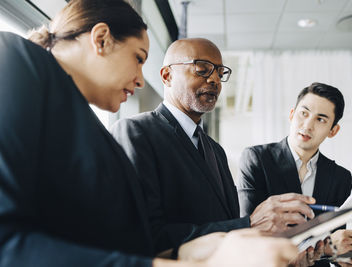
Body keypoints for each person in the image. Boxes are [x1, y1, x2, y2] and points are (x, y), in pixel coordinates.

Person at [0, 0, 298, 266]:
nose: (141, 80)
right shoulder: (14, 59)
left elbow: (114, 241)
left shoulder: (87, 127)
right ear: (101, 39)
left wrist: (185, 253)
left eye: (220, 73)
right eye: (139, 58)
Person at [111, 37, 316, 255]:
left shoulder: (215, 150)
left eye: (220, 72)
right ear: (167, 75)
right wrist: (248, 224)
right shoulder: (136, 132)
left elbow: (225, 225)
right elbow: (143, 235)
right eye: (202, 69)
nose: (214, 80)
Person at [238, 82, 352, 267]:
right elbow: (248, 232)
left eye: (320, 119)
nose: (307, 125)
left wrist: (346, 257)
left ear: (333, 130)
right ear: (292, 114)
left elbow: (336, 242)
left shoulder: (340, 177)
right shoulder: (257, 159)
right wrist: (328, 247)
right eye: (304, 113)